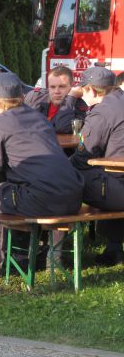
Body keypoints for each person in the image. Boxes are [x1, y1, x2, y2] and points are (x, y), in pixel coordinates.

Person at [0, 73, 84, 255]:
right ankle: (50, 254)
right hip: (74, 197)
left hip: (42, 200)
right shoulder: (41, 119)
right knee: (13, 191)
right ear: (22, 97)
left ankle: (1, 252)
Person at [70, 66, 124, 265]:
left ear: (91, 90)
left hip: (118, 190)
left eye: (83, 90)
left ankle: (54, 251)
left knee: (66, 177)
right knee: (108, 173)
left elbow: (84, 155)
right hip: (118, 181)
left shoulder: (102, 112)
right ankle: (114, 247)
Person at [24, 66, 87, 133]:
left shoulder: (80, 105)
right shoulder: (35, 98)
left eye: (62, 86)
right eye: (52, 87)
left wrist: (71, 97)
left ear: (72, 86)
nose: (56, 91)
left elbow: (62, 128)